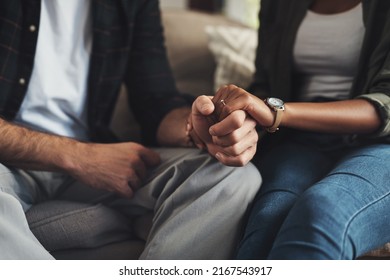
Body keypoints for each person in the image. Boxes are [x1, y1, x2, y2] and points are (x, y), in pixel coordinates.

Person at [0, 0, 262, 260]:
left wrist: (197, 128)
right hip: (8, 163)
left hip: (90, 160)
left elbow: (155, 102)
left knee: (232, 177)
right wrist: (79, 156)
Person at [205, 0, 390, 259]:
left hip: (382, 145)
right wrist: (239, 114)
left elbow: (387, 102)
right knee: (268, 218)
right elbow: (265, 85)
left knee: (322, 210)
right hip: (300, 140)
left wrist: (275, 113)